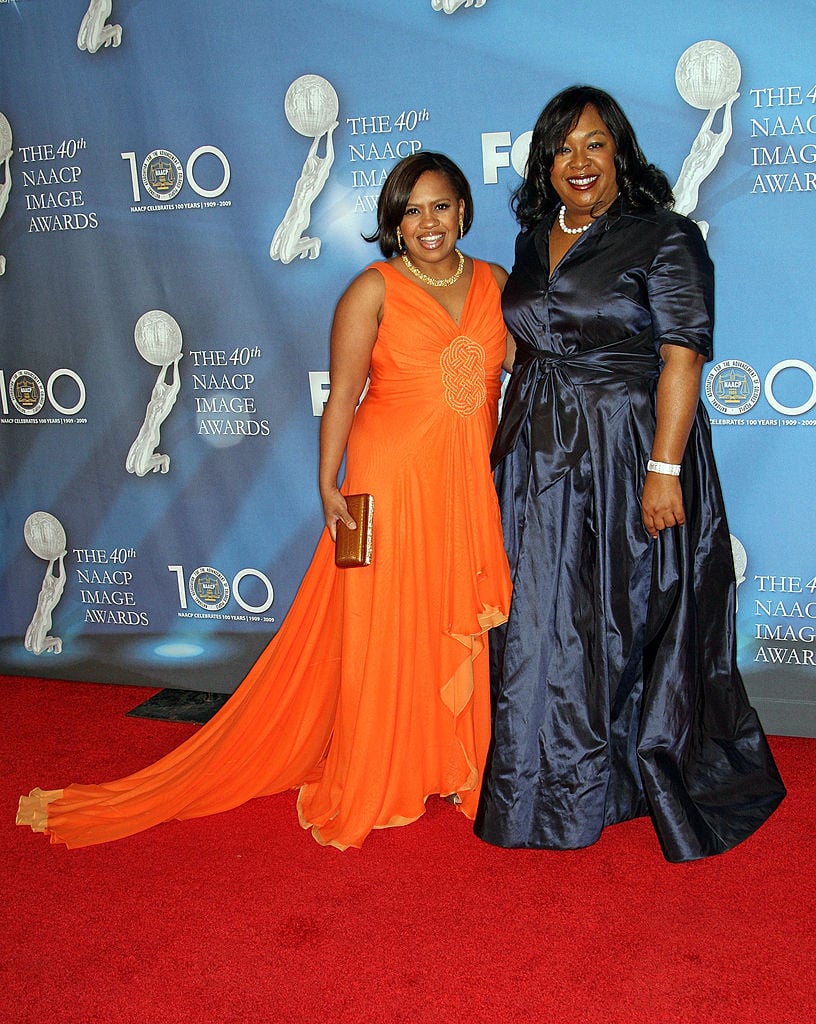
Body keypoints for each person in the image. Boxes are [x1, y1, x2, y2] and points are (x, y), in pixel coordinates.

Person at [17, 152, 513, 850]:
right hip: (386, 480)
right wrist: (326, 484)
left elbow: (546, 362)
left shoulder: (497, 285)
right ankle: (382, 765)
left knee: (444, 611)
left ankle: (447, 758)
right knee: (381, 618)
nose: (428, 223)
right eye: (411, 210)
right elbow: (341, 396)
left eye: (440, 206)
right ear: (393, 223)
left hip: (463, 483)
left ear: (463, 209)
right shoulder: (371, 290)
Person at [474, 86, 785, 862]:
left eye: (593, 146)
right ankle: (533, 782)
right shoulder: (532, 237)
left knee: (615, 618)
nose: (577, 163)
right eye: (561, 149)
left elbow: (682, 358)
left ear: (621, 155)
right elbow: (518, 342)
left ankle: (606, 779)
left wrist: (664, 470)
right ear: (544, 163)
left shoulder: (665, 236)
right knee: (536, 621)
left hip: (623, 448)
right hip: (534, 450)